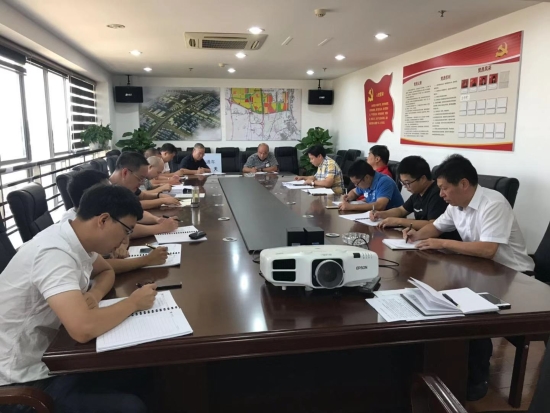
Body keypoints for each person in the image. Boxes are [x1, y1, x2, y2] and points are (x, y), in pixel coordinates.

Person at [0, 184, 157, 412]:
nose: (126, 238)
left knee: (142, 370)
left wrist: (94, 294)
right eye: (127, 230)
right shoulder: (53, 253)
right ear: (103, 220)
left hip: (52, 356)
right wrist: (133, 303)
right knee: (130, 407)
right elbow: (83, 329)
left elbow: (106, 271)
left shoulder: (75, 238)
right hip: (22, 380)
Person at [403, 154, 534, 401]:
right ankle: (441, 366)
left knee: (469, 309)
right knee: (437, 297)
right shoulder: (455, 205)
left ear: (463, 184)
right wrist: (416, 234)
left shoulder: (493, 204)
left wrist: (443, 243)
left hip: (514, 275)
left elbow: (488, 249)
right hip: (483, 268)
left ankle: (476, 377)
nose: (441, 194)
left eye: (444, 188)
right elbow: (436, 227)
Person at [65, 170, 169, 273]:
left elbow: (104, 269)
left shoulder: (90, 219)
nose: (113, 195)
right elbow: (100, 267)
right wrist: (146, 260)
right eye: (108, 192)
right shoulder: (76, 232)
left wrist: (122, 243)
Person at [370, 156, 451, 230]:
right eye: (403, 183)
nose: (405, 187)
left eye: (407, 183)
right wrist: (380, 214)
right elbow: (401, 210)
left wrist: (399, 221)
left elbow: (433, 225)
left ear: (422, 179)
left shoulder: (438, 194)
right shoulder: (417, 192)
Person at [107, 153, 179, 237]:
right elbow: (120, 228)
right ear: (125, 173)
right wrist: (160, 228)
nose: (141, 183)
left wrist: (158, 220)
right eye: (140, 178)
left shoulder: (122, 189)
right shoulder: (105, 193)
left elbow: (134, 212)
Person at [110, 152, 180, 210]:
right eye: (140, 178)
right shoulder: (108, 191)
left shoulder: (125, 186)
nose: (142, 182)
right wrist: (162, 200)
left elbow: (142, 195)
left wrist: (159, 195)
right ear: (125, 173)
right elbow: (132, 205)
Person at [339, 160, 403, 212]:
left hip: (393, 218)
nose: (356, 186)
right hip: (375, 216)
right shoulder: (366, 182)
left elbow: (380, 206)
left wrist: (351, 207)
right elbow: (354, 192)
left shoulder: (384, 182)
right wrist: (348, 197)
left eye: (357, 183)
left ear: (367, 177)